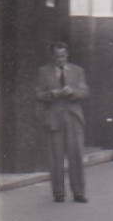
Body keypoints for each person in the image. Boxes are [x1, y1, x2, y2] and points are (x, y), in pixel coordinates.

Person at [36, 42, 90, 203]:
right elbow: (38, 93)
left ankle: (79, 193)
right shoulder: (43, 72)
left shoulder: (78, 71)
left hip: (74, 118)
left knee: (76, 156)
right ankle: (58, 193)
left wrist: (73, 92)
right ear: (52, 56)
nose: (60, 59)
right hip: (54, 118)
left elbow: (85, 92)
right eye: (57, 56)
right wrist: (51, 94)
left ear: (67, 55)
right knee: (55, 156)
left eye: (63, 55)